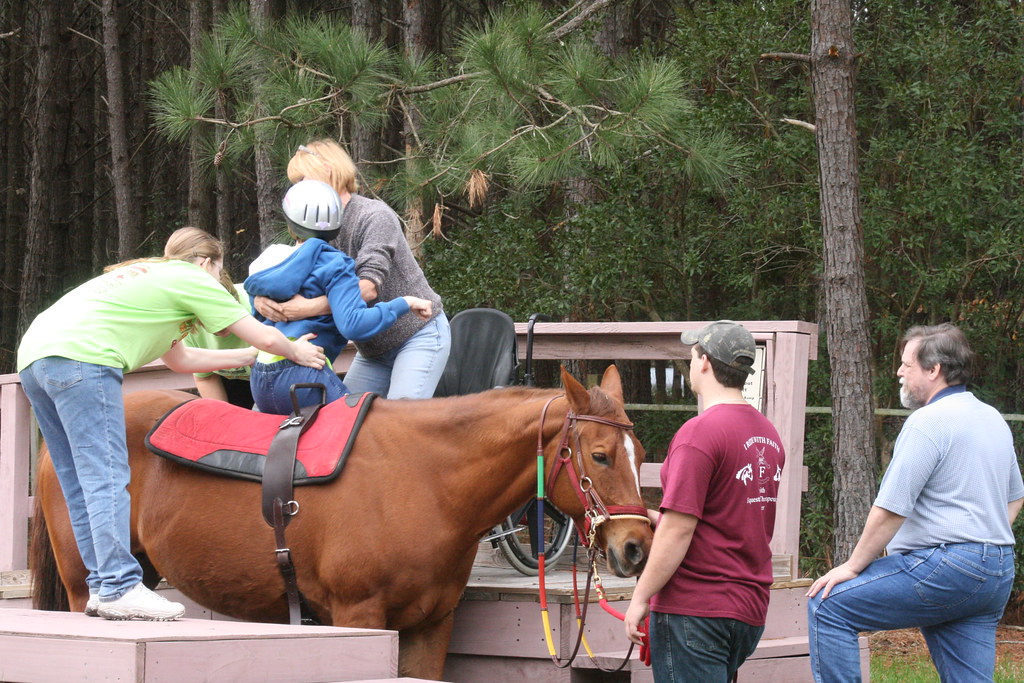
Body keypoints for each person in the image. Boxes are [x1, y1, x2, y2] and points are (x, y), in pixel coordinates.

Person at [17, 228, 326, 621]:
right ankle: (120, 585)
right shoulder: (192, 277)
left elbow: (180, 361)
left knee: (77, 480)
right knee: (106, 475)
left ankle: (101, 584)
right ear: (206, 263)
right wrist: (294, 349)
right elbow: (264, 334)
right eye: (219, 272)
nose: (217, 282)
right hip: (84, 358)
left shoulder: (153, 279)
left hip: (38, 358)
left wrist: (247, 357)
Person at [806, 323, 1023, 683]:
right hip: (996, 571)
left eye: (907, 364)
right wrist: (983, 540)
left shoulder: (928, 422)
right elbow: (1015, 496)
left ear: (933, 370)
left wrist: (852, 566)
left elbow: (891, 509)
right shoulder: (992, 418)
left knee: (828, 605)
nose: (899, 372)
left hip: (947, 567)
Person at [624, 320, 785, 682]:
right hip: (747, 609)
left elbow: (680, 530)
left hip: (695, 611)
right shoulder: (767, 433)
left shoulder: (699, 433)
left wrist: (640, 599)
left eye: (693, 352)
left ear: (705, 362)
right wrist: (658, 517)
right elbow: (728, 513)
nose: (691, 360)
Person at [253, 139, 451, 399]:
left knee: (400, 421)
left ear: (328, 169)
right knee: (346, 421)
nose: (299, 187)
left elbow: (368, 289)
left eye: (303, 178)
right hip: (371, 350)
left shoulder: (374, 216)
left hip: (416, 334)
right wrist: (260, 299)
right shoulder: (317, 222)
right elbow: (292, 275)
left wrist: (305, 309)